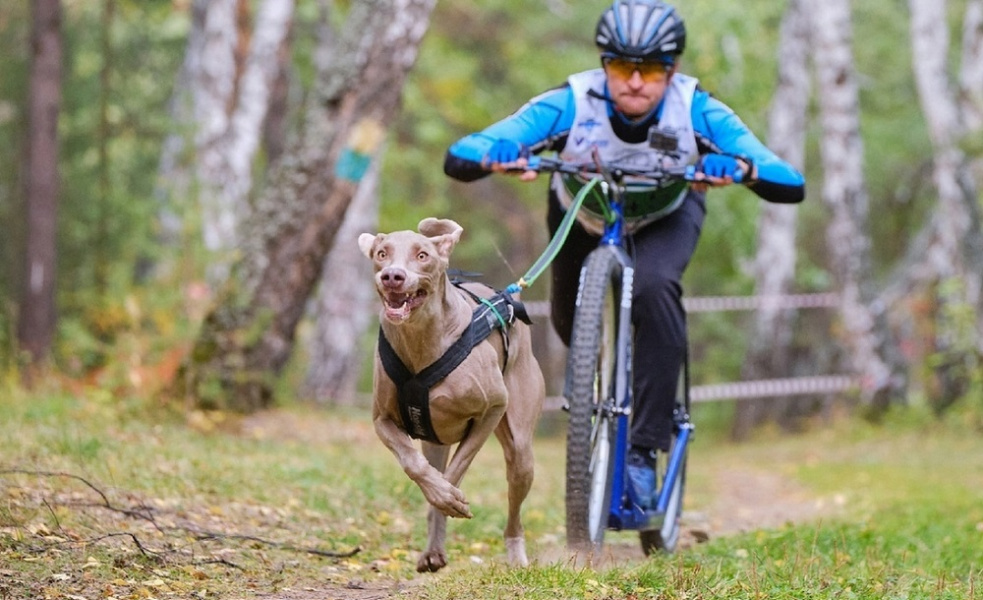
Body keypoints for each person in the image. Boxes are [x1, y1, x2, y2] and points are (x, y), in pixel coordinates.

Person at [443, 0, 805, 509]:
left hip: (666, 217)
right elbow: (462, 154)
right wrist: (496, 154)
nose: (636, 81)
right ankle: (600, 383)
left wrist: (742, 167)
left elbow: (789, 180)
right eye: (621, 67)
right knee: (569, 325)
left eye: (652, 69)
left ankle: (642, 450)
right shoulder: (570, 102)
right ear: (603, 64)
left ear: (672, 70)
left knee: (656, 287)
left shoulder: (696, 108)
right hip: (583, 214)